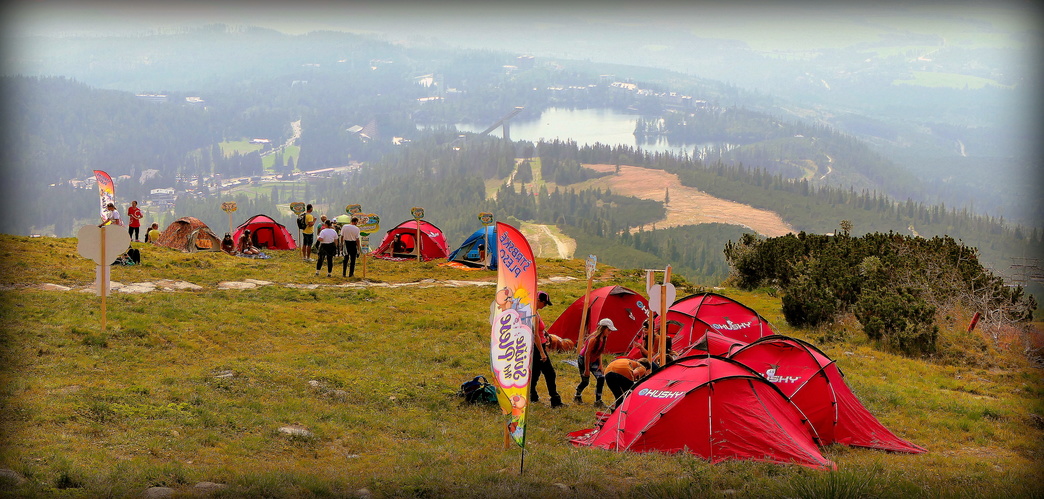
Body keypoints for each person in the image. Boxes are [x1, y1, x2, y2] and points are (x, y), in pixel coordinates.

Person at [529, 291, 563, 408]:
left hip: (538, 346)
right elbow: (535, 335)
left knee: (535, 373)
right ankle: (555, 400)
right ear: (539, 301)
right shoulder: (533, 314)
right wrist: (542, 353)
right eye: (544, 303)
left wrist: (545, 333)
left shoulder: (535, 312)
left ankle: (532, 395)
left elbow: (539, 331)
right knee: (550, 373)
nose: (545, 306)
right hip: (538, 348)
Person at [575, 317, 616, 407]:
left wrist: (600, 365)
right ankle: (577, 395)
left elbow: (599, 352)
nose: (610, 332)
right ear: (604, 329)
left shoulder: (604, 338)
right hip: (584, 359)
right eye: (609, 330)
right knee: (585, 381)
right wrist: (587, 369)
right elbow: (587, 354)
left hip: (594, 360)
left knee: (601, 378)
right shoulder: (593, 340)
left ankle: (598, 401)